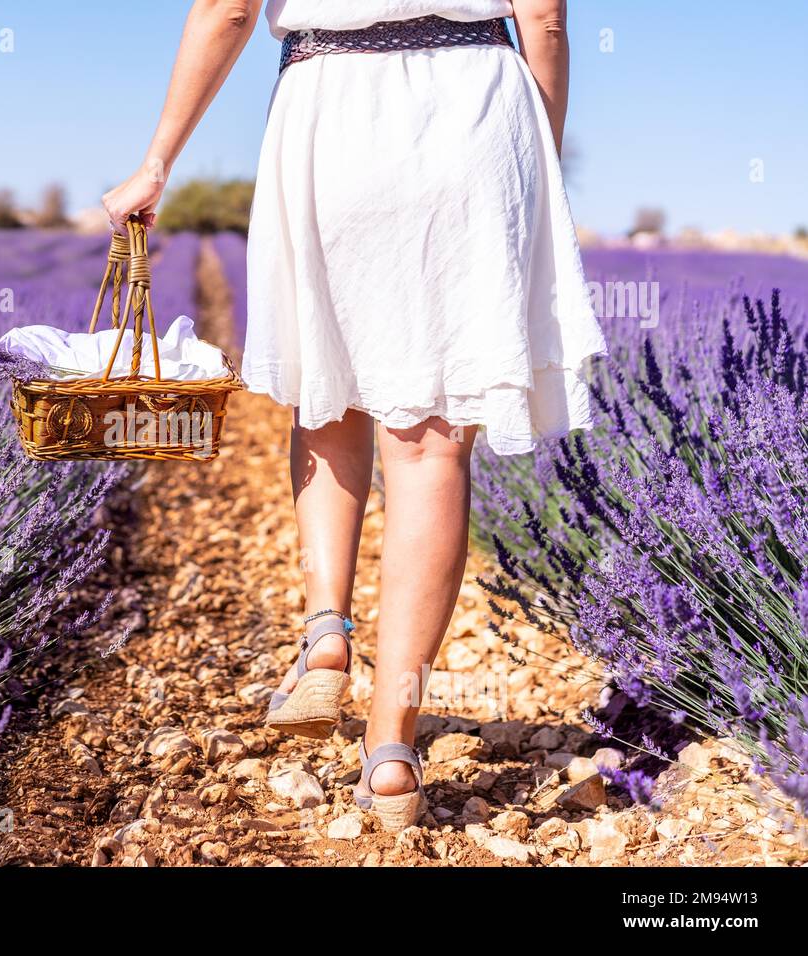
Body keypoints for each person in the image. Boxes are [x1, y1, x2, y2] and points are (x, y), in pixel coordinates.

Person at [102, 0, 605, 830]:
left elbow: (227, 8)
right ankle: (393, 747)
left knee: (326, 393)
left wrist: (157, 161)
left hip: (329, 108)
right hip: (475, 112)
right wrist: (535, 158)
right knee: (432, 449)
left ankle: (326, 631)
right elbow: (543, 17)